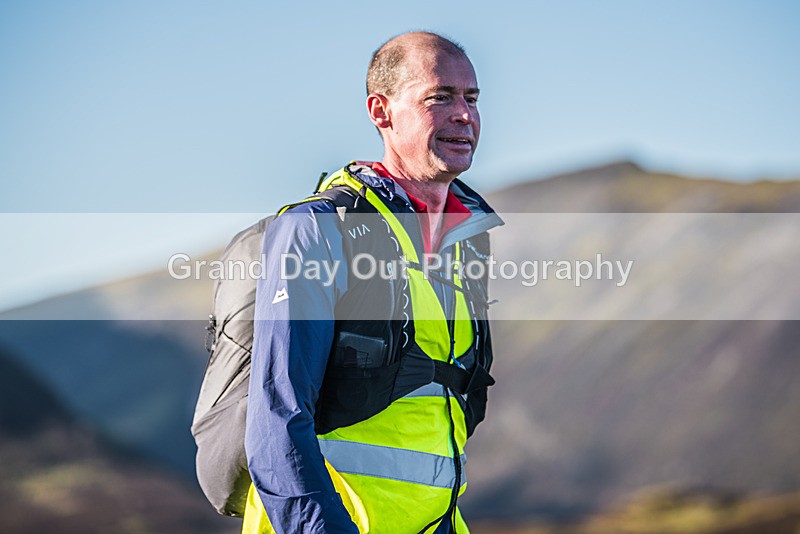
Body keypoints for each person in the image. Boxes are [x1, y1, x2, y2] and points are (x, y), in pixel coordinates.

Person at [242, 31, 503, 533]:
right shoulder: (318, 229)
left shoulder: (467, 241)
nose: (464, 115)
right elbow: (277, 423)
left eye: (472, 99)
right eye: (439, 97)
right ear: (381, 111)